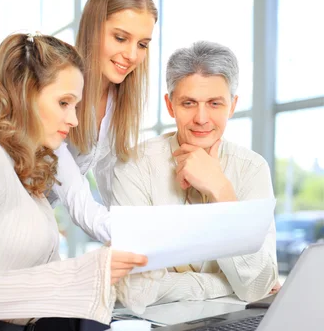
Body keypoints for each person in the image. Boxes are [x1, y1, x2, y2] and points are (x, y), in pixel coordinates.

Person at [0, 33, 148, 328]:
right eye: (63, 103)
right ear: (25, 95)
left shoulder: (26, 176)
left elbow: (38, 281)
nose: (73, 119)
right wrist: (81, 273)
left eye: (76, 106)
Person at [110, 41, 279, 312]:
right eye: (189, 103)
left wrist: (222, 191)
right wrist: (225, 284)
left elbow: (257, 286)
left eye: (215, 103)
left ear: (232, 106)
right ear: (170, 105)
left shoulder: (252, 168)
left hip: (232, 325)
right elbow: (134, 290)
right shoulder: (134, 166)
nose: (202, 118)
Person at [49, 0, 157, 244]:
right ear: (93, 29)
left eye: (142, 44)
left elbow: (113, 185)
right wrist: (147, 240)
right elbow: (78, 200)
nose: (132, 55)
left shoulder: (118, 103)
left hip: (37, 223)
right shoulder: (57, 87)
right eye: (121, 38)